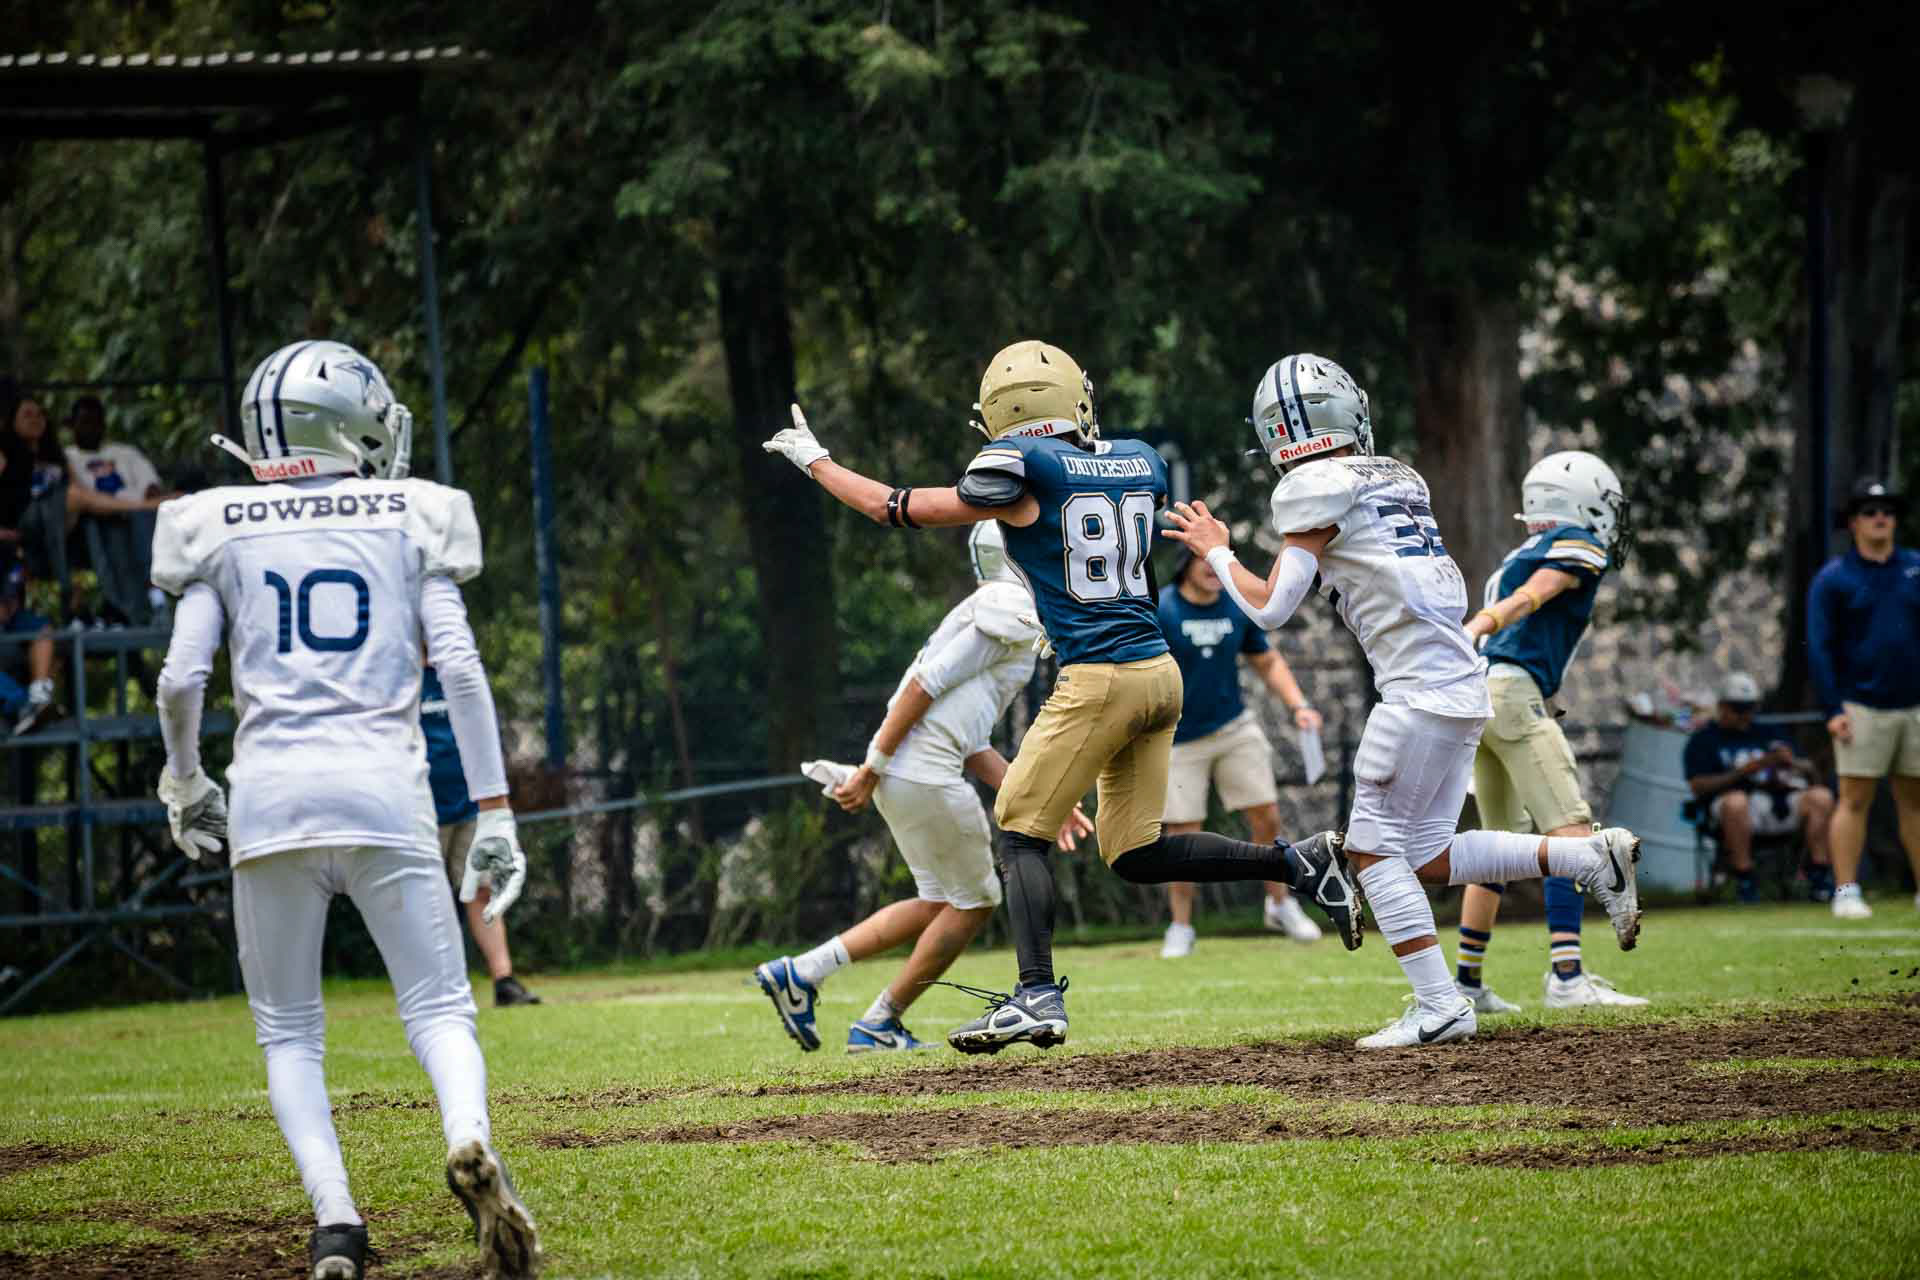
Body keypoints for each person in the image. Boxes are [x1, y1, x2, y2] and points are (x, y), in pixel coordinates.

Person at [764, 340, 1362, 1056]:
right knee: (1135, 851)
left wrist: (817, 461)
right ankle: (1297, 863)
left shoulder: (1021, 468)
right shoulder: (1140, 458)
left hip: (1100, 676)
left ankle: (1035, 994)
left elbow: (892, 508)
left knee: (1019, 829)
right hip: (1158, 672)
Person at [152, 341, 541, 1280]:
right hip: (384, 793)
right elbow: (461, 669)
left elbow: (180, 679)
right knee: (439, 1006)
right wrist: (494, 810)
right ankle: (468, 1136)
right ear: (348, 426)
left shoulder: (218, 522)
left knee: (290, 1031)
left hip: (272, 799)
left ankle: (336, 1224)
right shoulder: (410, 514)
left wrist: (185, 779)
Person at [1164, 353, 1644, 1049]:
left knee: (1369, 853)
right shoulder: (1395, 475)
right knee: (1425, 856)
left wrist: (1216, 551)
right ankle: (1589, 858)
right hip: (1458, 684)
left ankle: (1440, 1004)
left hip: (1419, 692)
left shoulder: (1315, 487)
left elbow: (1269, 607)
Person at [752, 521, 1091, 1053]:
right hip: (920, 772)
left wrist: (1044, 798)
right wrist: (871, 766)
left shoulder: (994, 610)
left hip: (912, 771)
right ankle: (879, 1021)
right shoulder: (1008, 605)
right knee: (976, 901)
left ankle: (803, 973)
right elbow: (923, 684)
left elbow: (972, 742)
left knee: (939, 901)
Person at [1451, 451, 1649, 1012]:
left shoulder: (1517, 554)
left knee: (1494, 847)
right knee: (1572, 836)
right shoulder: (1573, 544)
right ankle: (1567, 976)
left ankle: (1467, 984)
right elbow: (1538, 592)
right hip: (1511, 697)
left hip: (1481, 696)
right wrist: (1484, 621)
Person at [1156, 547, 1324, 956]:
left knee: (1268, 816)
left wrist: (1299, 706)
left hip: (1233, 726)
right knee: (1183, 835)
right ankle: (1181, 927)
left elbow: (1267, 661)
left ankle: (1279, 905)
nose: (1211, 568)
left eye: (1216, 560)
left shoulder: (1235, 606)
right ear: (1184, 564)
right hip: (1177, 736)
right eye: (1202, 559)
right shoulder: (1162, 608)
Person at [1808, 477, 1920, 920]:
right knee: (1854, 799)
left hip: (1914, 705)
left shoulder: (1915, 568)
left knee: (1915, 800)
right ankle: (1846, 891)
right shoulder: (1834, 579)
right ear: (1854, 522)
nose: (1880, 519)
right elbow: (1819, 648)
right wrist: (1833, 708)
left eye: (1887, 512)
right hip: (1859, 705)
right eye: (1871, 512)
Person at [423, 664, 542, 1007]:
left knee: (482, 890)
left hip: (471, 803)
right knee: (425, 898)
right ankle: (434, 988)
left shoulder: (459, 674)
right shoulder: (402, 675)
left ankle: (504, 981)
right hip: (421, 807)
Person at [1, 395, 164, 622]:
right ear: (12, 422)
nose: (35, 419)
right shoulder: (5, 454)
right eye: (27, 415)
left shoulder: (57, 456)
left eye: (40, 414)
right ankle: (141, 507)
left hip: (62, 529)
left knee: (99, 521)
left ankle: (128, 609)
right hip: (26, 522)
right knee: (73, 496)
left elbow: (83, 491)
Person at [1683, 673, 1836, 902]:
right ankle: (1745, 879)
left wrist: (1791, 763)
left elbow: (1811, 771)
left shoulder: (1769, 732)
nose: (1745, 715)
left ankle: (1820, 877)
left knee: (1821, 797)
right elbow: (1697, 786)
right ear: (1722, 707)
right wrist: (1744, 771)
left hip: (1781, 800)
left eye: (1750, 708)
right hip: (1733, 810)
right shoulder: (1704, 740)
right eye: (1738, 709)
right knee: (1736, 802)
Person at [64, 395, 172, 625]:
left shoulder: (126, 453)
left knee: (144, 516)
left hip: (139, 516)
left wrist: (147, 502)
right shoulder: (67, 457)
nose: (91, 427)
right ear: (72, 425)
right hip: (97, 518)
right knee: (110, 526)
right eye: (85, 421)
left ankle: (154, 596)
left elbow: (151, 488)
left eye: (97, 421)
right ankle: (130, 607)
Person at [0, 552, 60, 735]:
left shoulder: (12, 562)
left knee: (44, 630)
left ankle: (38, 697)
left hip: (13, 638)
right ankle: (27, 706)